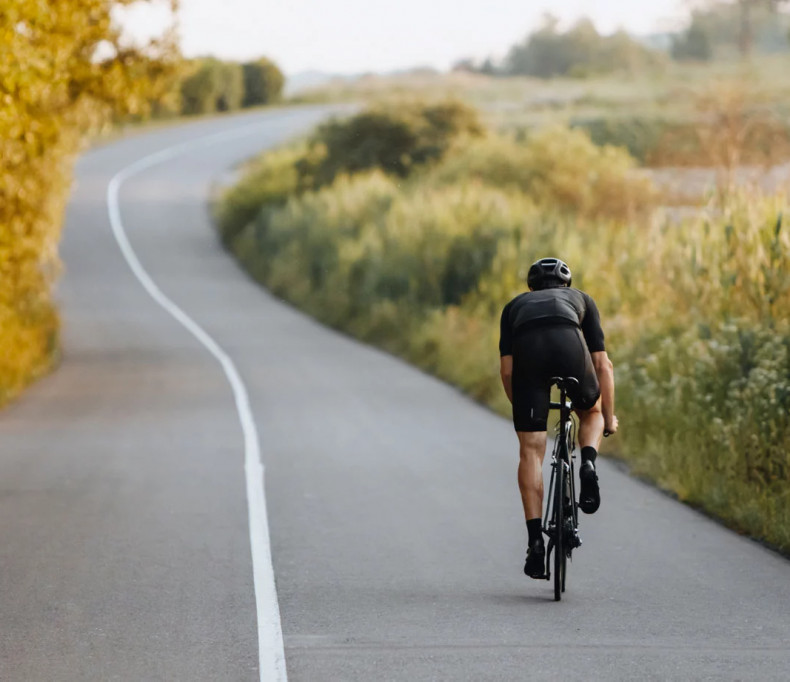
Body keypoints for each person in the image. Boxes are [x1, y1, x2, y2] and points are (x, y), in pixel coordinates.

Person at [499, 257, 618, 579]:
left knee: (531, 451)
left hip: (530, 358)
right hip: (570, 348)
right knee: (589, 411)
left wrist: (523, 408)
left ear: (531, 286)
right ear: (566, 284)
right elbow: (603, 364)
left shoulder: (514, 306)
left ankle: (535, 541)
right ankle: (588, 463)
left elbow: (508, 370)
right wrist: (607, 417)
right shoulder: (582, 299)